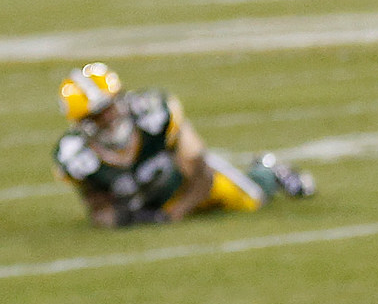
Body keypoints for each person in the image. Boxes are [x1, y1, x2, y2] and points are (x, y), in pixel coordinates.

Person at [52, 63, 314, 228]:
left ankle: (269, 171)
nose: (109, 117)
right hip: (154, 201)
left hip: (189, 184)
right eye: (98, 114)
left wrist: (174, 215)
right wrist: (131, 219)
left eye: (110, 107)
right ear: (81, 121)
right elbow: (99, 212)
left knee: (252, 199)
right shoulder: (75, 156)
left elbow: (201, 172)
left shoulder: (154, 115)